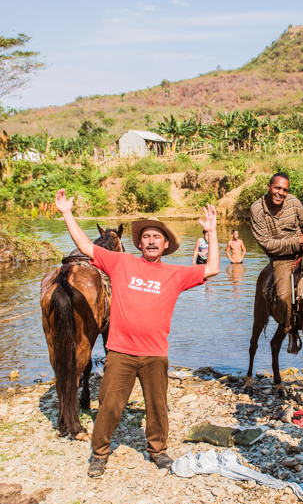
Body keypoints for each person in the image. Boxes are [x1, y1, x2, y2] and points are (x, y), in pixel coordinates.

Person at [53, 188, 221, 478]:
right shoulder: (121, 263)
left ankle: (157, 450)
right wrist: (67, 212)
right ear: (139, 243)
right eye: (146, 237)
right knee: (109, 405)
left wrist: (212, 232)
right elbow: (84, 245)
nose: (151, 241)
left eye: (157, 237)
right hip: (120, 351)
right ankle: (99, 453)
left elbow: (214, 268)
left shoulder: (175, 274)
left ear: (166, 244)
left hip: (155, 353)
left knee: (158, 406)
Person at [249, 173, 303, 353]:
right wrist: (298, 241)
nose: (281, 193)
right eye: (277, 188)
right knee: (283, 295)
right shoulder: (257, 209)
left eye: (285, 190)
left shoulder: (293, 202)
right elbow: (267, 245)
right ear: (269, 187)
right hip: (281, 258)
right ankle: (290, 330)